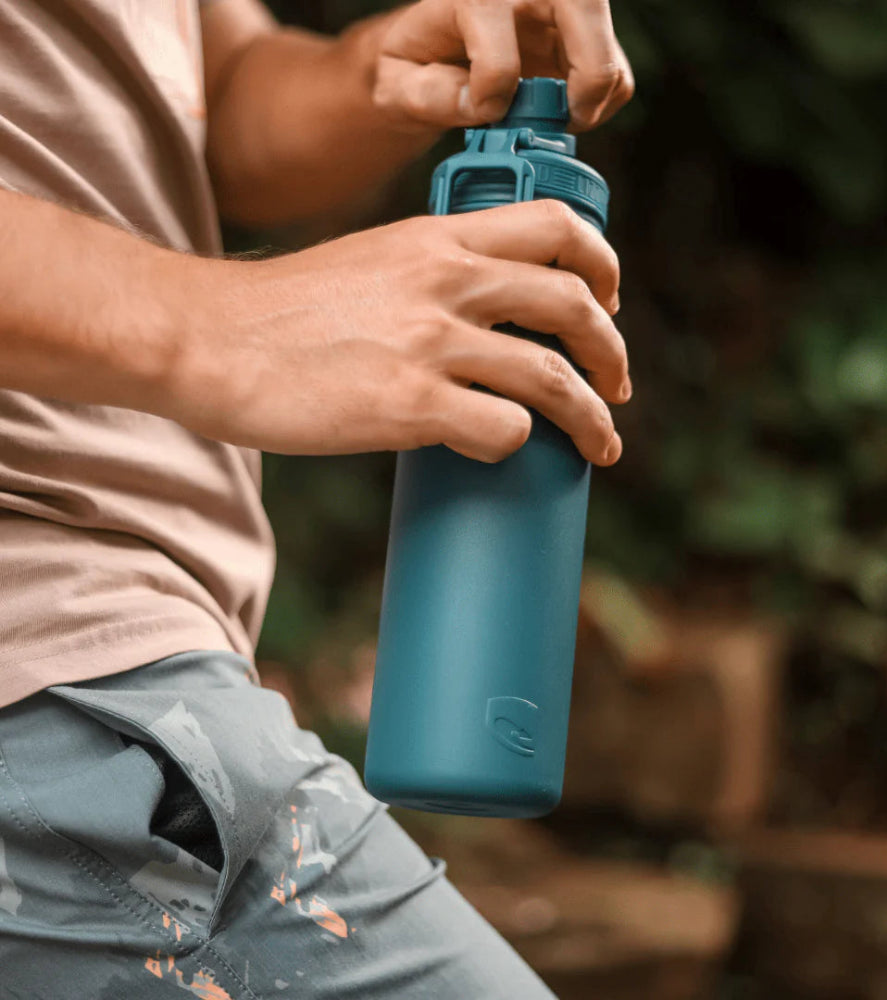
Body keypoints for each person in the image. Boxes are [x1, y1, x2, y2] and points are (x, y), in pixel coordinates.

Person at [0, 0, 633, 996]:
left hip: (137, 658)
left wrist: (370, 76)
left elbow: (203, 93)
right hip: (50, 674)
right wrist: (222, 324)